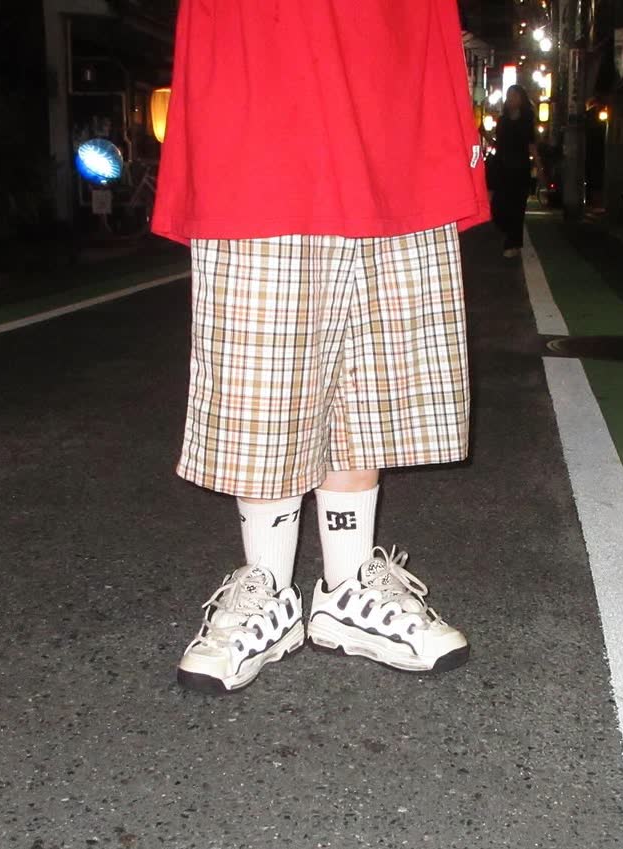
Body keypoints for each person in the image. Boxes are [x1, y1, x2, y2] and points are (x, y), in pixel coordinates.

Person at [150, 0, 489, 693]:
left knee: (377, 355)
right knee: (263, 367)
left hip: (393, 69)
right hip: (258, 66)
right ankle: (268, 586)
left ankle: (348, 587)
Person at [491, 85, 544, 258]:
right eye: (509, 95)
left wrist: (539, 167)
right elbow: (497, 145)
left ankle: (513, 243)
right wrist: (485, 135)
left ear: (521, 99)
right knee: (499, 206)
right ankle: (509, 237)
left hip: (520, 169)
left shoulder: (526, 122)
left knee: (517, 207)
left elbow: (532, 146)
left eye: (514, 95)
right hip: (502, 169)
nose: (511, 99)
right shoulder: (502, 121)